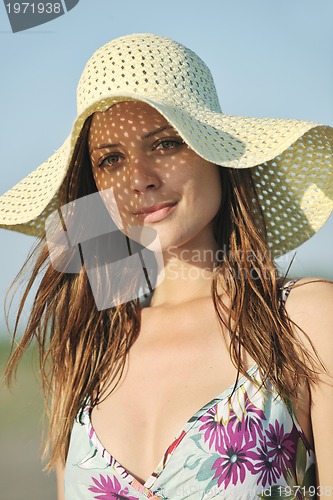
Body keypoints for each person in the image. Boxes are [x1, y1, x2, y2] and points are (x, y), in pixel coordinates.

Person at [1, 33, 333, 500]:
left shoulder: (303, 320)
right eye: (111, 159)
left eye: (165, 143)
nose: (140, 179)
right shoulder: (87, 349)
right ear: (93, 185)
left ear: (215, 152)